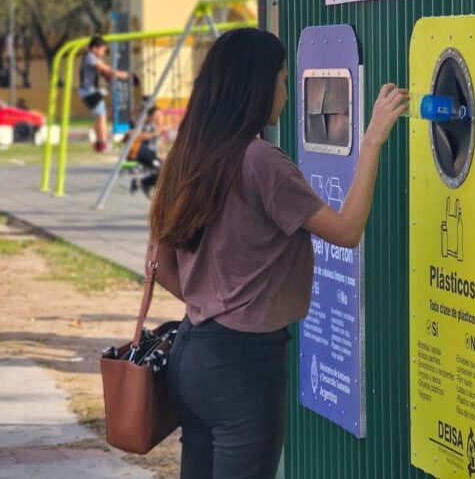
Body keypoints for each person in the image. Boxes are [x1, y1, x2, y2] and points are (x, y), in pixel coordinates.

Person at [149, 28, 408, 478]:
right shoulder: (261, 161)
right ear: (256, 86)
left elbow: (160, 266)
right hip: (245, 363)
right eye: (283, 80)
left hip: (190, 353)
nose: (287, 94)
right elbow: (346, 232)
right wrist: (371, 142)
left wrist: (212, 300)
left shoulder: (185, 155)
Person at [80, 35, 130, 153]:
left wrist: (111, 78)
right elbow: (105, 69)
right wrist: (119, 74)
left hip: (90, 91)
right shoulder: (90, 57)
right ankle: (102, 143)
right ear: (94, 48)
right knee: (102, 116)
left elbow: (105, 72)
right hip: (88, 91)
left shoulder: (94, 59)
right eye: (103, 49)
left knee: (100, 116)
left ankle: (99, 142)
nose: (103, 52)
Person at [128, 105, 162, 198]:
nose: (160, 117)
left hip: (151, 154)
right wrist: (154, 133)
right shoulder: (142, 125)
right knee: (161, 171)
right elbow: (136, 136)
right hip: (141, 153)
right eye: (157, 115)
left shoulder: (154, 126)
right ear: (150, 116)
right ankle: (143, 184)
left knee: (162, 172)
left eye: (160, 115)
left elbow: (158, 144)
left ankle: (141, 183)